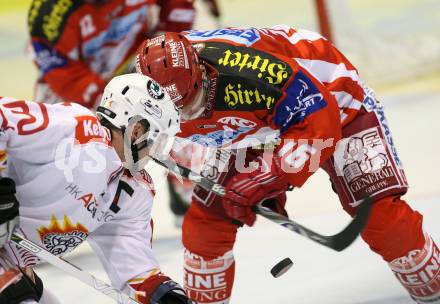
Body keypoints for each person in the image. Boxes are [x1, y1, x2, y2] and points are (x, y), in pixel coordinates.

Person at [135, 26, 440, 303]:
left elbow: (319, 120)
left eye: (191, 100)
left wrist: (268, 178)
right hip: (254, 127)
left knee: (383, 221)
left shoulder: (249, 72)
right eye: (175, 110)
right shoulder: (136, 92)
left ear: (203, 70)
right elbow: (110, 139)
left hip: (335, 102)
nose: (187, 115)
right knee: (207, 224)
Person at [0, 73, 192, 304]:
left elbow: (132, 266)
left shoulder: (134, 191)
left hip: (11, 262)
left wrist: (161, 294)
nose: (154, 153)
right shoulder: (74, 127)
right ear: (137, 130)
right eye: (156, 140)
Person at [27, 0, 196, 109]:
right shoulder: (48, 17)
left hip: (134, 59)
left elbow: (177, 7)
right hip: (68, 89)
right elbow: (65, 75)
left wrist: (164, 47)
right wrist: (115, 99)